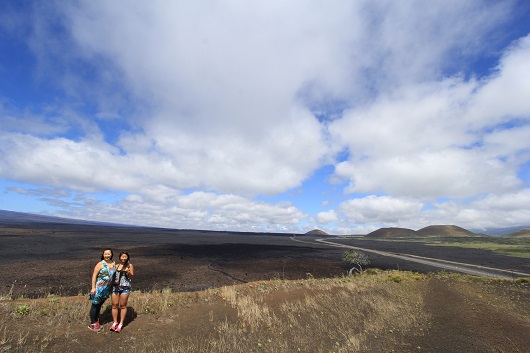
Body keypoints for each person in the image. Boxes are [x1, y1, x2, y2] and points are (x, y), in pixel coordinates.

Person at [88, 248, 116, 332]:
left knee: (100, 305)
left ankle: (96, 320)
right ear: (103, 255)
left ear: (111, 254)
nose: (107, 255)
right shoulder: (100, 264)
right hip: (99, 288)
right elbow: (94, 276)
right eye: (105, 254)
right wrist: (93, 288)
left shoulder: (113, 263)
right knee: (95, 305)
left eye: (108, 254)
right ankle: (93, 323)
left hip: (107, 288)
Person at [110, 252, 134, 333]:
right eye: (122, 257)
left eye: (125, 257)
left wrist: (128, 272)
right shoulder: (116, 266)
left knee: (123, 305)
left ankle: (121, 323)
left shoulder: (129, 266)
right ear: (119, 257)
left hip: (125, 287)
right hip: (115, 287)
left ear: (127, 258)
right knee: (114, 305)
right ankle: (115, 322)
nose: (123, 258)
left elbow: (132, 276)